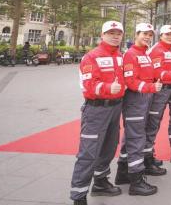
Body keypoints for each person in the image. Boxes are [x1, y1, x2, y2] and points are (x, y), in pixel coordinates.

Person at [70, 21, 126, 205]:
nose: (115, 36)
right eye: (111, 33)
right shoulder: (91, 57)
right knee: (88, 153)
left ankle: (100, 182)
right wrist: (108, 87)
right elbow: (88, 85)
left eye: (118, 33)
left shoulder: (120, 56)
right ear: (102, 35)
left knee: (109, 147)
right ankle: (79, 196)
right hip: (96, 110)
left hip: (115, 108)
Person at [115, 23, 161, 196]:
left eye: (150, 35)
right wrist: (151, 87)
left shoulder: (144, 53)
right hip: (135, 100)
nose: (148, 37)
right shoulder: (131, 54)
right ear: (136, 34)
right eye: (144, 34)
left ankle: (123, 174)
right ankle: (136, 181)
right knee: (136, 138)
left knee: (131, 136)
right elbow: (130, 81)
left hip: (144, 99)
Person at [145, 25, 171, 172]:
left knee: (155, 123)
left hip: (168, 89)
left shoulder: (170, 50)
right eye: (167, 34)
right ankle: (146, 159)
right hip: (158, 91)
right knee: (152, 123)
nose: (170, 37)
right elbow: (156, 72)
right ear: (160, 35)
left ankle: (148, 154)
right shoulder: (157, 50)